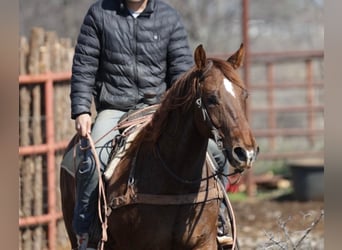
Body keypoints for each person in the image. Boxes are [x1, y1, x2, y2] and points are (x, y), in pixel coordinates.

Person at [63, 0, 231, 249]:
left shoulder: (168, 16)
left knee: (217, 155)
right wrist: (81, 111)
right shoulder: (99, 14)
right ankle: (87, 232)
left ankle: (219, 221)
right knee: (91, 158)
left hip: (160, 108)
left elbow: (181, 72)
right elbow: (84, 65)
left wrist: (179, 110)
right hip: (115, 109)